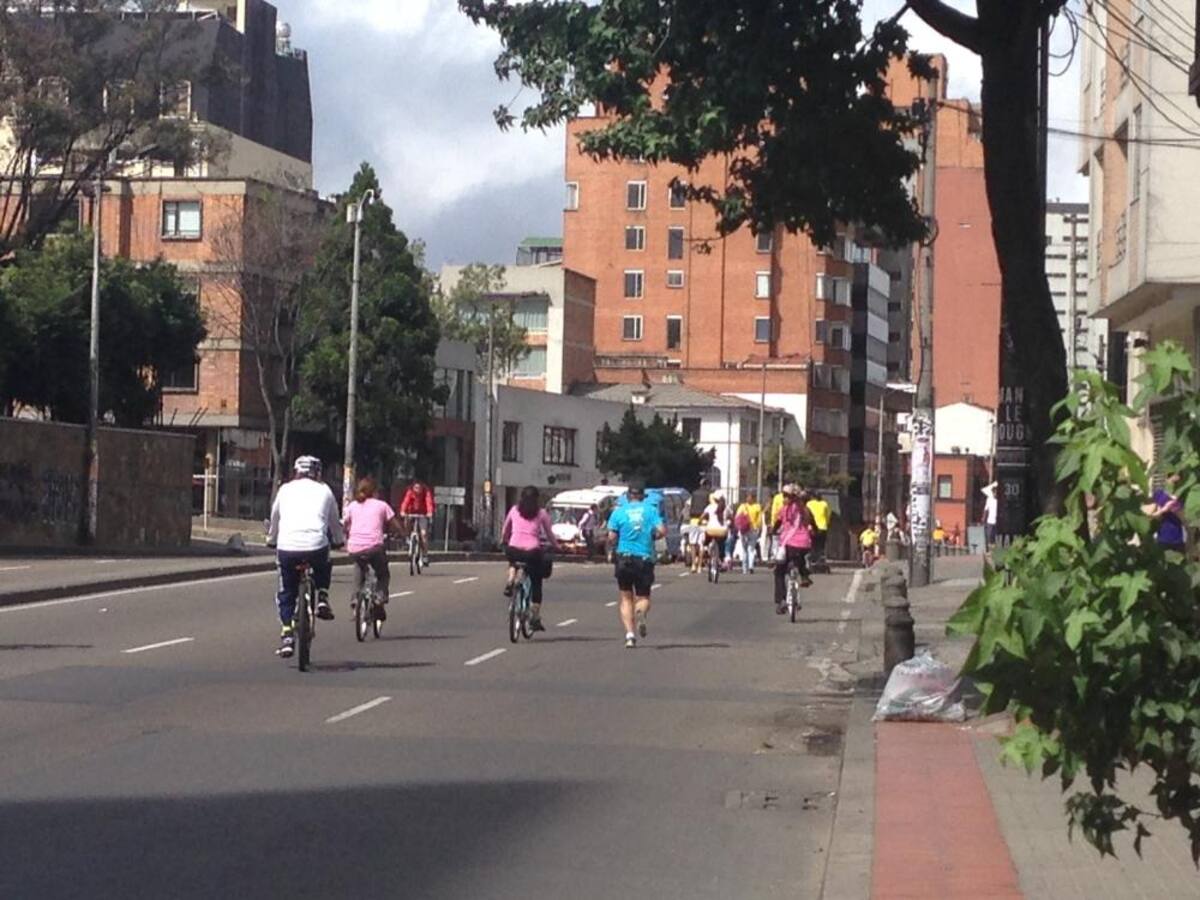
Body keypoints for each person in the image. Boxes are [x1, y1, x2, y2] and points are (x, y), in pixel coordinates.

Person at [266, 456, 344, 658]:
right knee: (325, 562)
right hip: (316, 546)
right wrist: (339, 540)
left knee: (286, 591)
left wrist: (271, 539)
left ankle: (287, 634)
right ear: (317, 472)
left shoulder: (285, 489)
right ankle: (323, 597)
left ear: (296, 471)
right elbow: (334, 522)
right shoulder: (325, 490)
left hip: (287, 547)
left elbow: (275, 518)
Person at [605, 480, 666, 648]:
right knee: (643, 596)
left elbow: (611, 536)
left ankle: (630, 635)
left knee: (626, 597)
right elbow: (662, 530)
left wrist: (617, 541)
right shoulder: (651, 510)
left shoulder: (619, 512)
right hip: (644, 558)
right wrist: (653, 536)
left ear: (628, 495)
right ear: (643, 496)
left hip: (624, 558)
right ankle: (641, 613)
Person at [342, 476, 397, 620]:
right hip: (374, 547)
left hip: (354, 548)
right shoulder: (381, 505)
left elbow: (345, 524)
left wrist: (347, 536)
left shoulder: (352, 506)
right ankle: (379, 596)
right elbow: (394, 523)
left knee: (359, 568)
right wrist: (402, 533)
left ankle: (355, 599)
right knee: (383, 574)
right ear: (374, 491)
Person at [501, 486, 555, 630]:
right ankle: (534, 616)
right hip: (532, 552)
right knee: (536, 580)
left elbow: (505, 530)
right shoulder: (541, 513)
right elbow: (549, 534)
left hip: (514, 549)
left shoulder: (514, 510)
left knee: (513, 562)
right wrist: (557, 546)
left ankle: (510, 580)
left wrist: (504, 541)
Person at [773, 486, 813, 613]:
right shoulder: (804, 509)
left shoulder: (785, 509)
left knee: (779, 571)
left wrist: (773, 531)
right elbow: (811, 521)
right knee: (800, 559)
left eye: (785, 496)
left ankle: (781, 600)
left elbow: (777, 523)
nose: (784, 498)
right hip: (804, 543)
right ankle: (804, 575)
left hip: (788, 543)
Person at [399, 480, 435, 565]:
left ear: (422, 487)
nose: (417, 489)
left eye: (419, 488)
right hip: (411, 513)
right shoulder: (410, 492)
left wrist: (430, 512)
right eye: (416, 487)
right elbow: (405, 502)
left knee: (423, 534)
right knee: (406, 521)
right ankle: (407, 537)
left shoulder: (426, 492)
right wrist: (402, 511)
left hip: (423, 514)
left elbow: (429, 502)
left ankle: (425, 555)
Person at [1150, 476, 1186, 554]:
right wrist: (1165, 508)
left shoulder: (1182, 496)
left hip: (1178, 539)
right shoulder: (1160, 494)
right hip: (1164, 538)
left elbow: (1183, 516)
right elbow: (1153, 514)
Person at [735, 492, 762, 574]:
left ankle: (744, 568)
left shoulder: (742, 507)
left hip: (744, 530)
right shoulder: (757, 507)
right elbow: (759, 520)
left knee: (745, 549)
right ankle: (751, 566)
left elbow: (737, 517)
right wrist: (759, 529)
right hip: (753, 529)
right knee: (751, 549)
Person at [701, 491, 729, 571]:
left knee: (706, 540)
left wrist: (700, 522)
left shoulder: (710, 507)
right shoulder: (726, 508)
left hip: (711, 529)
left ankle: (706, 551)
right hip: (722, 530)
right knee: (722, 542)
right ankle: (721, 558)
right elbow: (730, 517)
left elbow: (702, 516)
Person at [805, 491, 831, 570]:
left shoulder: (809, 504)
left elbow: (807, 515)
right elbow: (828, 516)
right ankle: (820, 560)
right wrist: (826, 523)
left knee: (812, 545)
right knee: (821, 546)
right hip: (823, 527)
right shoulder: (824, 504)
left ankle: (812, 561)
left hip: (812, 527)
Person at [982, 481, 999, 548]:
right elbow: (986, 509)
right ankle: (988, 546)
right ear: (992, 493)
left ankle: (994, 546)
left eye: (996, 493)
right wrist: (983, 517)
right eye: (994, 492)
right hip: (990, 520)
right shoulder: (989, 499)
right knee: (989, 534)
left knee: (994, 535)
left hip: (996, 521)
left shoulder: (998, 500)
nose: (995, 494)